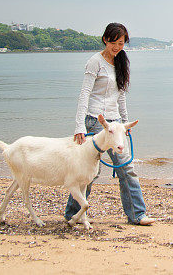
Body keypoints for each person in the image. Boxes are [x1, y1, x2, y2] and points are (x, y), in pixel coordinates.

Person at [64, 22, 155, 226]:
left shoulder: (122, 62)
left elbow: (121, 96)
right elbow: (84, 94)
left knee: (126, 168)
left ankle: (137, 215)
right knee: (88, 172)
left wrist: (125, 125)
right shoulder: (94, 62)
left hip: (115, 124)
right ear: (105, 39)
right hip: (94, 122)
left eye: (121, 43)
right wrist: (79, 126)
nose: (116, 46)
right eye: (113, 42)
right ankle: (73, 214)